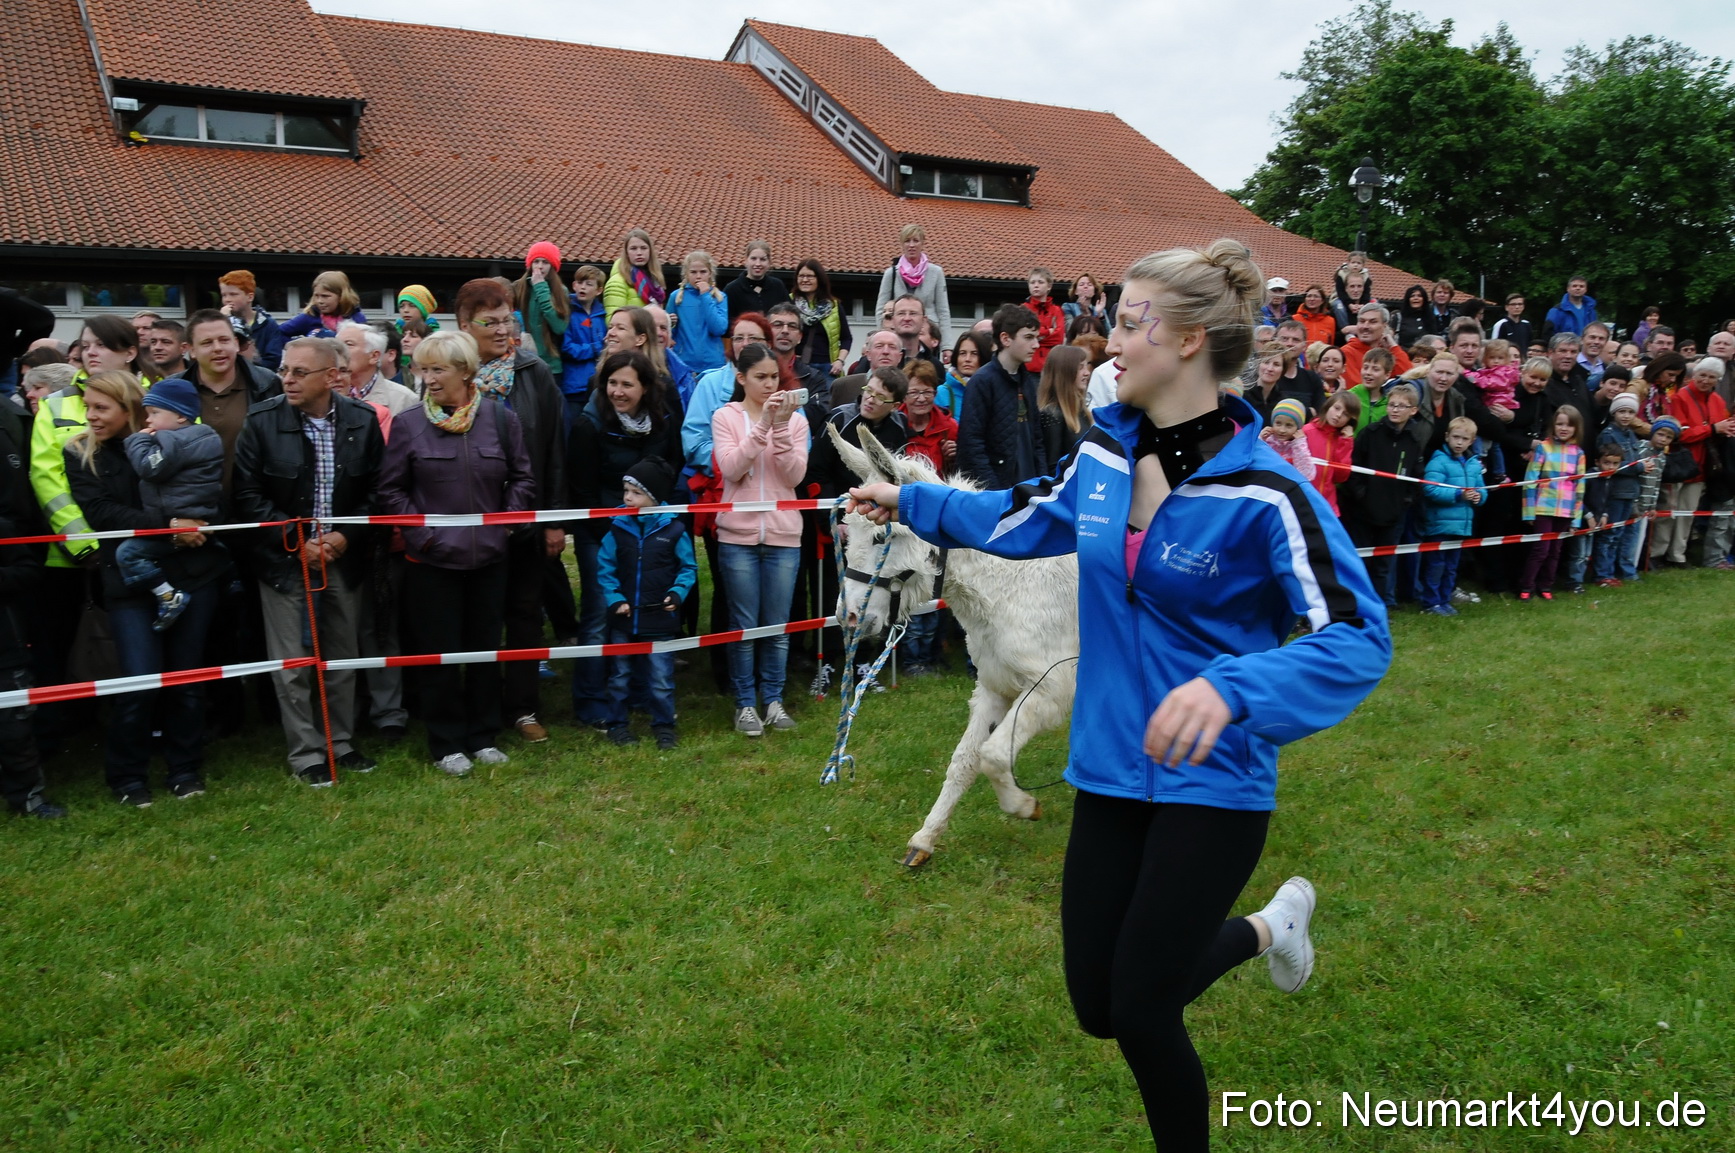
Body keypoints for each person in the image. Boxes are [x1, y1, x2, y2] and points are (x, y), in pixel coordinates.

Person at [846, 239, 1390, 1153]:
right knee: (1098, 1005)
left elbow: (1357, 635)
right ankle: (1268, 927)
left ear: (1186, 342)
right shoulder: (1103, 454)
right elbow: (1027, 515)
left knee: (1142, 1010)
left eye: (1131, 323)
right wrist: (912, 502)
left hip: (1211, 784)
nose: (1110, 343)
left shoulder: (1267, 491)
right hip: (1105, 765)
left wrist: (1235, 688)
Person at [64, 372, 230, 806]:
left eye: (101, 408)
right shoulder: (81, 453)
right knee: (137, 682)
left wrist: (198, 525)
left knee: (187, 678)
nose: (91, 416)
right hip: (129, 584)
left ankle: (184, 768)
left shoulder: (182, 439)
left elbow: (211, 489)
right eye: (88, 407)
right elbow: (102, 513)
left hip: (194, 571)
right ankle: (127, 776)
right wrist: (171, 528)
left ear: (130, 409)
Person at [377, 330, 535, 774]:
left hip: (490, 559)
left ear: (466, 372)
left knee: (485, 649)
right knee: (439, 653)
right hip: (431, 563)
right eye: (421, 369)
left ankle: (483, 735)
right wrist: (425, 538)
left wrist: (503, 528)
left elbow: (523, 479)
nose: (426, 378)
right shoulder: (408, 425)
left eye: (437, 369)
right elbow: (391, 493)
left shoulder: (502, 420)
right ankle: (445, 741)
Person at [233, 336, 388, 783]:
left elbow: (379, 491)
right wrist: (296, 540)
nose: (287, 380)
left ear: (332, 377)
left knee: (341, 656)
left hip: (344, 557)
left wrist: (345, 535)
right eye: (284, 370)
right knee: (294, 664)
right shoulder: (262, 422)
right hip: (284, 561)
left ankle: (340, 743)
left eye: (300, 372)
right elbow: (246, 496)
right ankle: (306, 754)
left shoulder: (361, 420)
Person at [712, 344, 808, 738]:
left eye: (775, 377)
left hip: (784, 535)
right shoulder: (725, 416)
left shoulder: (797, 422)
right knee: (744, 626)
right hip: (738, 536)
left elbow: (794, 476)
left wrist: (782, 427)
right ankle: (745, 704)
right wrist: (763, 426)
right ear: (741, 378)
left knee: (778, 625)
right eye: (761, 377)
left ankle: (773, 700)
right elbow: (732, 468)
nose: (770, 385)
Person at [596, 457, 695, 750]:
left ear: (654, 497)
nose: (627, 497)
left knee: (661, 679)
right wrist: (615, 599)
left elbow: (688, 568)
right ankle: (616, 725)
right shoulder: (616, 529)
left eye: (636, 493)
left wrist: (677, 594)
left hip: (660, 620)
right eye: (625, 491)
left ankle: (664, 726)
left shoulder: (675, 530)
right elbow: (605, 568)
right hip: (623, 620)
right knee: (619, 676)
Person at [115, 378, 224, 630]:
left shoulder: (177, 441)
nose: (148, 421)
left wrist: (136, 441)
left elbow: (149, 468)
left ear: (180, 416)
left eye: (154, 413)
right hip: (198, 513)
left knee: (128, 553)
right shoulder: (201, 437)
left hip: (180, 517)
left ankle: (167, 595)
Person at [1340, 381, 1427, 606]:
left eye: (1401, 406)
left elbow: (1416, 476)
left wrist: (1405, 501)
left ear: (1413, 410)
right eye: (1392, 405)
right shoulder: (1371, 433)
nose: (1395, 410)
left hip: (1394, 513)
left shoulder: (1414, 440)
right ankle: (1356, 604)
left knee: (1383, 564)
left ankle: (1378, 606)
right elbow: (1354, 468)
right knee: (1360, 559)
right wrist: (1361, 496)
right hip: (1363, 511)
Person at [956, 304, 1046, 490]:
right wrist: (994, 492)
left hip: (1028, 489)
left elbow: (1037, 440)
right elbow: (971, 445)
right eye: (1028, 337)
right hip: (997, 493)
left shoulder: (1027, 381)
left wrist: (1043, 482)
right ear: (1005, 338)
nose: (1036, 345)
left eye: (1036, 338)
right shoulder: (982, 382)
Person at [1666, 357, 1735, 568]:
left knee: (1688, 514)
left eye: (1711, 377)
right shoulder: (1680, 398)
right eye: (1702, 375)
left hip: (1704, 466)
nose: (1705, 380)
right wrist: (1712, 429)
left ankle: (1678, 555)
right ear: (1693, 376)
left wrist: (1725, 430)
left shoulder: (1718, 402)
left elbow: (1722, 430)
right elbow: (1680, 434)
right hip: (1680, 464)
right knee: (1669, 512)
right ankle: (1657, 554)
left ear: (1718, 380)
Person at [1418, 417, 1485, 615]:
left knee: (1451, 566)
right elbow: (1430, 489)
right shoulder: (1438, 461)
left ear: (1471, 441)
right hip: (1439, 524)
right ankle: (1431, 603)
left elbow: (1483, 489)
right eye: (1455, 437)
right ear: (1447, 437)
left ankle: (1445, 600)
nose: (1459, 442)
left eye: (1464, 439)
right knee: (1435, 565)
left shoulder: (1474, 464)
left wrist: (1478, 496)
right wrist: (1458, 494)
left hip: (1461, 526)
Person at [1519, 406, 1586, 599]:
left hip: (1565, 510)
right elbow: (1530, 481)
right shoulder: (1543, 448)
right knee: (1541, 549)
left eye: (1569, 425)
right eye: (1560, 424)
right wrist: (1529, 512)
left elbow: (1580, 488)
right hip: (1543, 507)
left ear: (1576, 428)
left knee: (1555, 551)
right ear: (1553, 425)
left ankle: (1546, 586)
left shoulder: (1579, 453)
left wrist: (1576, 519)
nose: (1564, 428)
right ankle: (1526, 586)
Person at [875, 224, 950, 339]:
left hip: (928, 336)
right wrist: (884, 335)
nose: (911, 245)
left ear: (922, 243)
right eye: (907, 241)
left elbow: (943, 311)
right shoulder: (891, 274)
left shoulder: (936, 272)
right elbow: (880, 309)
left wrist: (946, 346)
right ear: (902, 244)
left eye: (915, 241)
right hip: (899, 335)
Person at [335, 321, 419, 419]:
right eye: (337, 345)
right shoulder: (324, 392)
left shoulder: (404, 399)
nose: (339, 351)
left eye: (349, 344)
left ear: (374, 356)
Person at [559, 265, 608, 431]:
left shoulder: (603, 316)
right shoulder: (568, 313)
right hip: (574, 386)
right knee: (573, 430)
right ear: (573, 285)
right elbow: (567, 348)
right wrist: (595, 348)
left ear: (598, 290)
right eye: (580, 283)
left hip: (597, 385)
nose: (583, 287)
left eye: (588, 284)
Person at [514, 241, 571, 378]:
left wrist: (541, 288)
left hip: (551, 366)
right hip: (523, 362)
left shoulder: (560, 291)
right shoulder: (519, 287)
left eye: (545, 262)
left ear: (552, 266)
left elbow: (559, 326)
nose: (540, 266)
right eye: (536, 261)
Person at [789, 258, 851, 380]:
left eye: (810, 276)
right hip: (797, 367)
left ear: (819, 279)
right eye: (801, 276)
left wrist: (840, 361)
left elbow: (846, 338)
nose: (805, 280)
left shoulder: (834, 306)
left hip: (827, 369)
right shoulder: (789, 303)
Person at [668, 251, 729, 373]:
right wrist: (670, 322)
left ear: (710, 273)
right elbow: (668, 334)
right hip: (684, 363)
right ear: (686, 274)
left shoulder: (719, 297)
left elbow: (719, 328)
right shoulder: (676, 297)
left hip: (713, 363)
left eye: (703, 272)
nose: (698, 276)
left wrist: (705, 296)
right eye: (693, 272)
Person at [1303, 389, 1359, 515]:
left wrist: (1346, 442)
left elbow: (1341, 477)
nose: (1338, 415)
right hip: (1304, 501)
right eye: (1337, 408)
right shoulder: (1307, 431)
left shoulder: (1343, 439)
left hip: (1328, 505)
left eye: (1345, 414)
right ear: (1328, 406)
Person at [898, 361, 957, 476]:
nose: (921, 399)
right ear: (904, 396)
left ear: (935, 394)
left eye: (927, 392)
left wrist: (954, 458)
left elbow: (962, 472)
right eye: (914, 392)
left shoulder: (949, 427)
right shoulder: (893, 425)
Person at [218, 270, 285, 370]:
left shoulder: (267, 324)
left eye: (233, 294)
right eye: (224, 295)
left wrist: (251, 364)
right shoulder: (221, 322)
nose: (227, 299)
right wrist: (223, 321)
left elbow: (273, 361)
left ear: (250, 297)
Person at [1341, 303, 1412, 388]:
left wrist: (1393, 346)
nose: (1365, 326)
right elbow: (1356, 389)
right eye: (1362, 321)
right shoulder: (1346, 353)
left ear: (1384, 326)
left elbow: (1407, 378)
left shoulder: (1390, 353)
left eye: (1373, 322)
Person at [279, 271, 366, 339]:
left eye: (325, 296)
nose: (319, 301)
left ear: (341, 296)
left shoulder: (357, 318)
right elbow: (276, 333)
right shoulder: (309, 317)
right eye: (316, 296)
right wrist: (294, 345)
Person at [603, 228, 667, 319]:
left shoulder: (655, 282)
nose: (639, 253)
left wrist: (667, 320)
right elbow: (613, 321)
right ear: (626, 253)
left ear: (650, 251)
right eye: (633, 248)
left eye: (643, 248)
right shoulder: (617, 282)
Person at [723, 239, 788, 322]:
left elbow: (788, 313)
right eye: (753, 259)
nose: (758, 264)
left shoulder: (778, 286)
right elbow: (727, 322)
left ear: (769, 262)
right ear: (746, 260)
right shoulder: (732, 290)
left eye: (763, 259)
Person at [1257, 398, 1316, 482]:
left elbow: (1307, 475)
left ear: (1298, 428)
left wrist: (1299, 445)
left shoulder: (1299, 446)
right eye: (1278, 423)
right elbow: (1254, 463)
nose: (1282, 430)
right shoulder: (1267, 441)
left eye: (1289, 425)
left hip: (1285, 490)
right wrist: (1260, 441)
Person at [937, 330, 991, 419]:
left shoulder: (992, 391)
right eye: (962, 353)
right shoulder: (942, 393)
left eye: (974, 353)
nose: (967, 359)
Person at [1024, 268, 1067, 374]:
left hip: (1051, 365)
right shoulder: (1023, 309)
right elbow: (1024, 335)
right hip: (1028, 365)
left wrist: (1036, 335)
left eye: (1040, 282)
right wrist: (1048, 331)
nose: (1036, 285)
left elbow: (1059, 338)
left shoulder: (1056, 310)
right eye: (1032, 282)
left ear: (1049, 286)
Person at [1468, 338, 1520, 411]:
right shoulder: (1488, 370)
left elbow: (1489, 383)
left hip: (1499, 403)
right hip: (1490, 401)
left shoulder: (1505, 373)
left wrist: (1469, 376)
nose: (1496, 361)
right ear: (1485, 358)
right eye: (1492, 357)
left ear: (1506, 359)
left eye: (1500, 358)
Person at [141, 319, 188, 384]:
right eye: (153, 342)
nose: (157, 347)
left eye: (166, 342)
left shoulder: (198, 378)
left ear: (184, 348)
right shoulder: (140, 379)